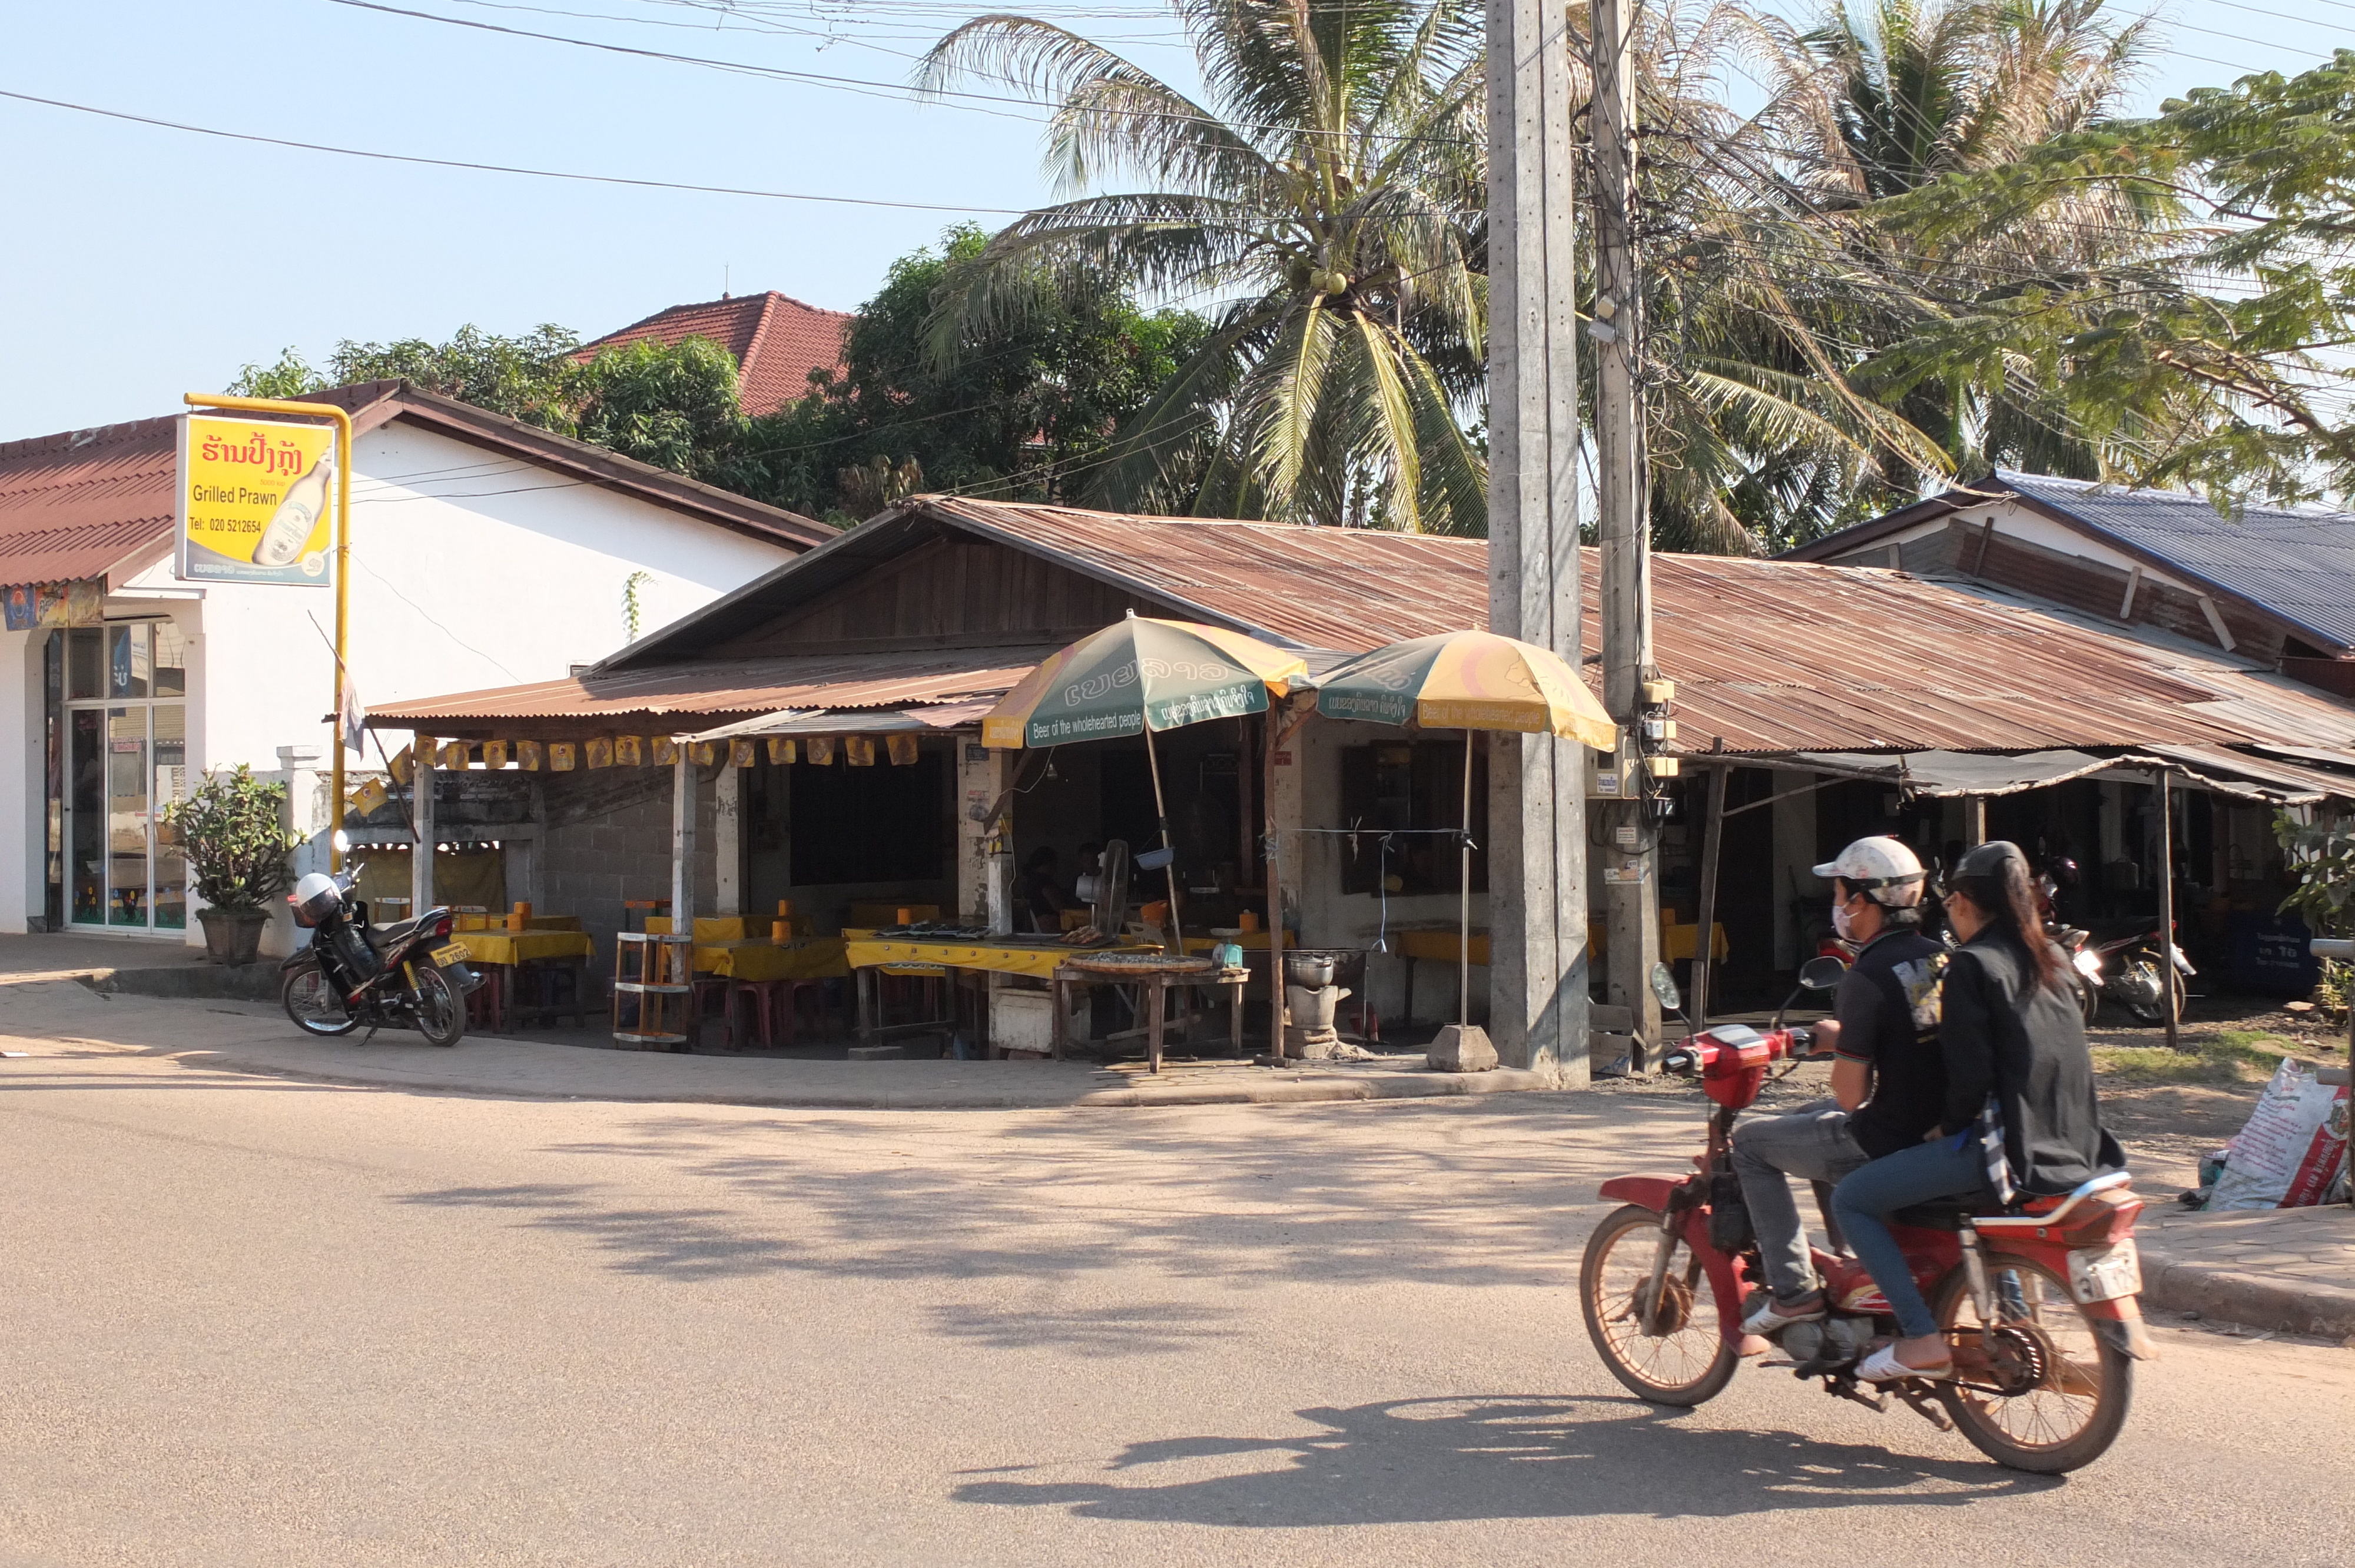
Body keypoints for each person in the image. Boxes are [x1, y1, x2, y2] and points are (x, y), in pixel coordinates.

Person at [1834, 840, 2126, 1382]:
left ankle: (1920, 1338)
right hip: (2074, 1147)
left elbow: (1971, 1078)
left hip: (2005, 1150)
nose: (1948, 912)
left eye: (1951, 903)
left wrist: (1948, 1127)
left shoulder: (1972, 966)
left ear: (1966, 901)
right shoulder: (2054, 957)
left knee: (1852, 1198)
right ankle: (2013, 1324)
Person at [1732, 836, 1948, 1336]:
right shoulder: (1939, 957)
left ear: (1862, 901)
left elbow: (1851, 1097)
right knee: (1808, 1116)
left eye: (1840, 894)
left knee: (1749, 1145)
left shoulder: (1864, 977)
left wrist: (1848, 1042)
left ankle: (1794, 1292)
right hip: (1934, 1118)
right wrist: (1849, 1038)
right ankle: (1851, 1259)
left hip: (1889, 1135)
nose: (1837, 906)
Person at [1021, 846, 1076, 933]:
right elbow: (1061, 908)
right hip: (1052, 927)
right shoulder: (1043, 881)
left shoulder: (1032, 880)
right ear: (1049, 863)